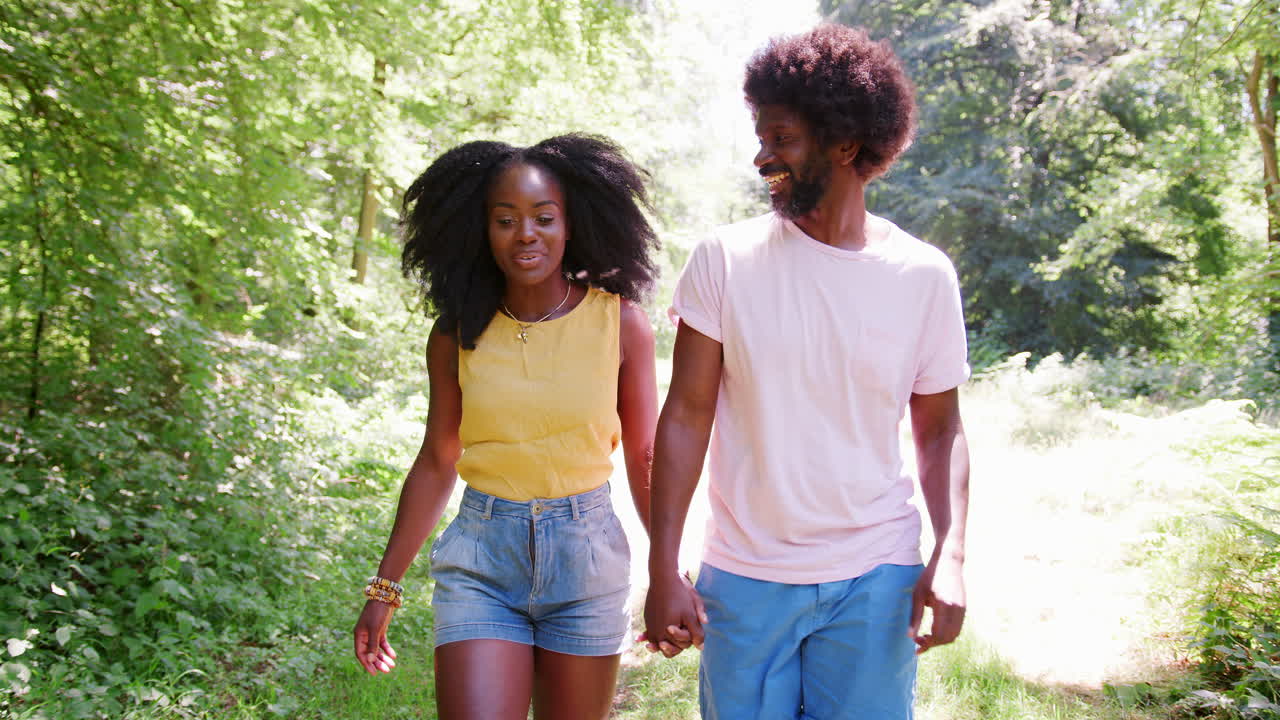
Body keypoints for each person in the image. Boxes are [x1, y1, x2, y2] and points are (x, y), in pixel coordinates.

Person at [642, 24, 972, 720]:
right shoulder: (723, 260)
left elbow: (940, 431)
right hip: (747, 575)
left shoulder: (923, 276)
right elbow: (686, 415)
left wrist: (952, 552)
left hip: (876, 576)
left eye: (781, 137)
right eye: (761, 137)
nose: (764, 156)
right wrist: (662, 562)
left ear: (845, 142)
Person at [353, 133, 661, 720]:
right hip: (483, 560)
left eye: (544, 217)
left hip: (586, 557)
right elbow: (438, 459)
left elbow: (644, 455)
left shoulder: (620, 323)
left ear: (571, 225)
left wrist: (667, 566)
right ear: (482, 230)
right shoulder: (456, 332)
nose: (526, 234)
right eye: (505, 220)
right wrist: (384, 588)